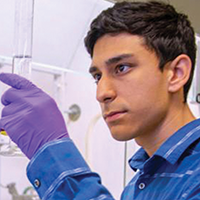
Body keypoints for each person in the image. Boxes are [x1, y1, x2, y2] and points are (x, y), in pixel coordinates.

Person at [0, 0, 199, 199]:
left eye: (122, 68)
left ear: (176, 73)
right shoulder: (140, 183)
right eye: (97, 76)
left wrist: (53, 151)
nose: (101, 93)